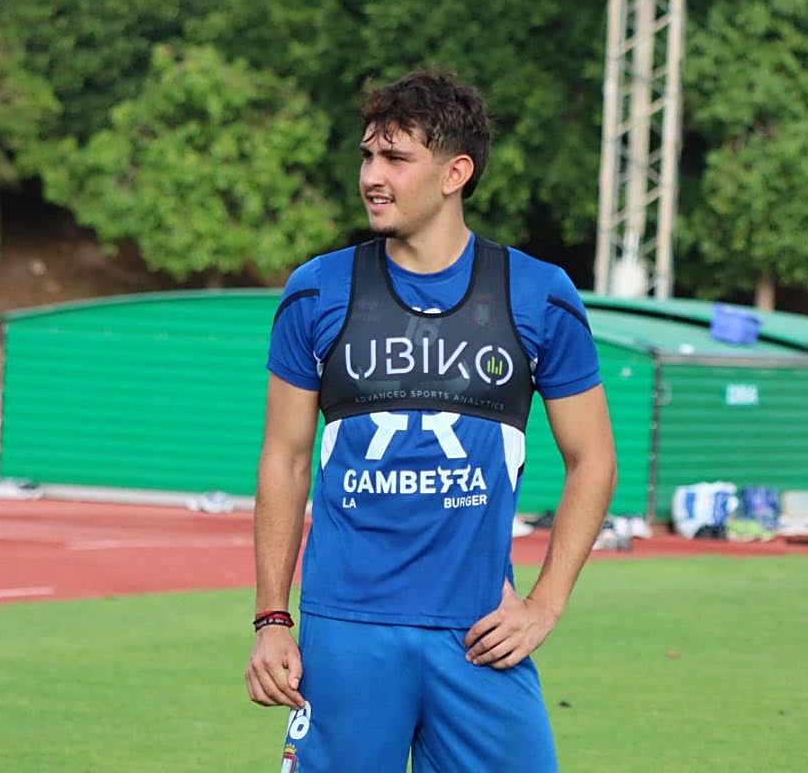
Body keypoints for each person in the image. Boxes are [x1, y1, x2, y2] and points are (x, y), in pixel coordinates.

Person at [245, 70, 617, 772]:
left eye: (395, 158)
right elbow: (286, 460)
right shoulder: (317, 291)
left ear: (456, 172)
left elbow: (593, 460)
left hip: (478, 635)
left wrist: (544, 605)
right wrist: (272, 619)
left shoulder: (537, 295)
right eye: (366, 156)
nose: (371, 177)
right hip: (346, 634)